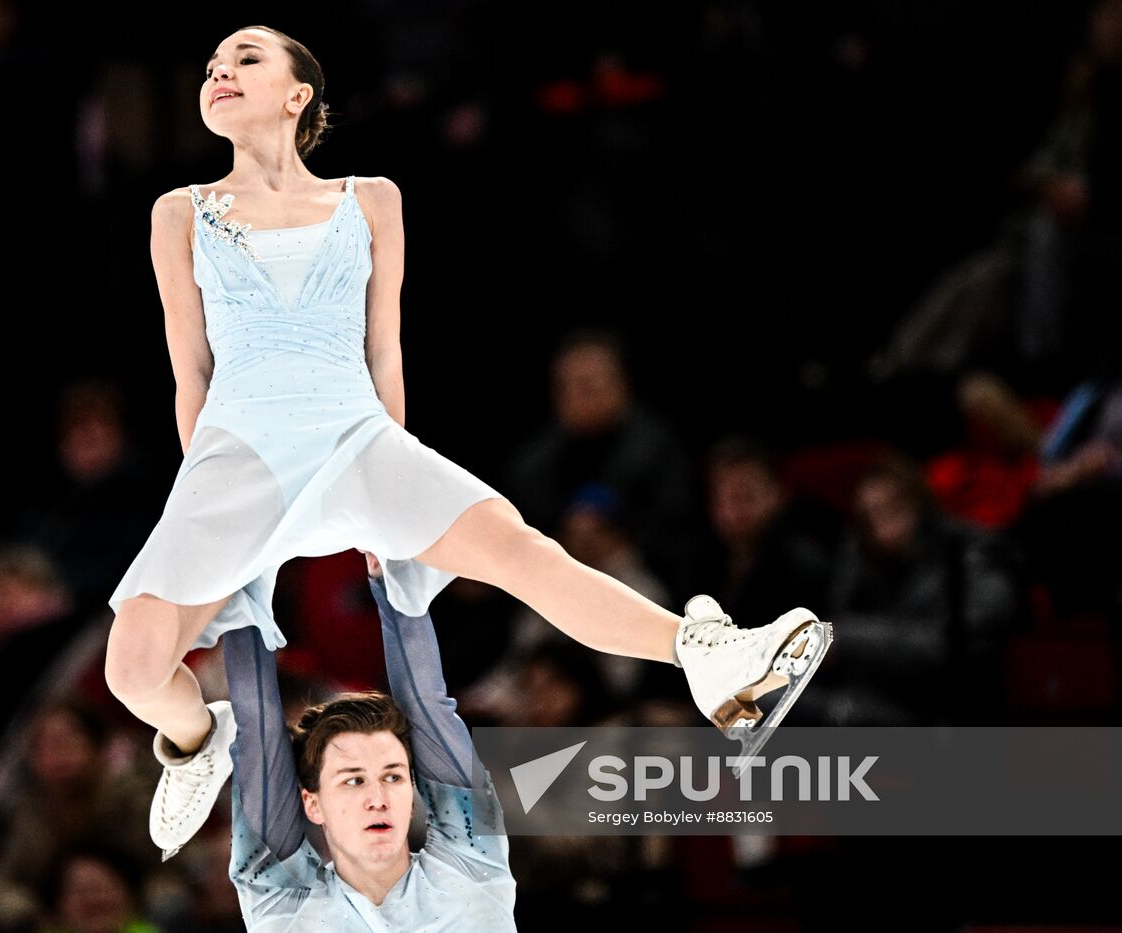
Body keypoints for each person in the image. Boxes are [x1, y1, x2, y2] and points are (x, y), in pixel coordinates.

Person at [101, 24, 833, 861]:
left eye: (245, 59)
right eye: (210, 67)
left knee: (523, 550)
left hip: (355, 436)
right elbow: (188, 373)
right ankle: (199, 740)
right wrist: (205, 494)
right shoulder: (180, 212)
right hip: (238, 451)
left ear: (299, 93)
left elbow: (384, 352)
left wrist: (389, 492)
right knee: (133, 669)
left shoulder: (371, 198)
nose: (219, 72)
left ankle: (711, 655)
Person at [219, 550, 515, 930]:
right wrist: (392, 581)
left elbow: (429, 709)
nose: (379, 799)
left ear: (412, 793)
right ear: (312, 804)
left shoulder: (473, 867)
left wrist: (392, 579)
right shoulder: (285, 905)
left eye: (392, 777)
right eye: (353, 780)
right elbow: (258, 733)